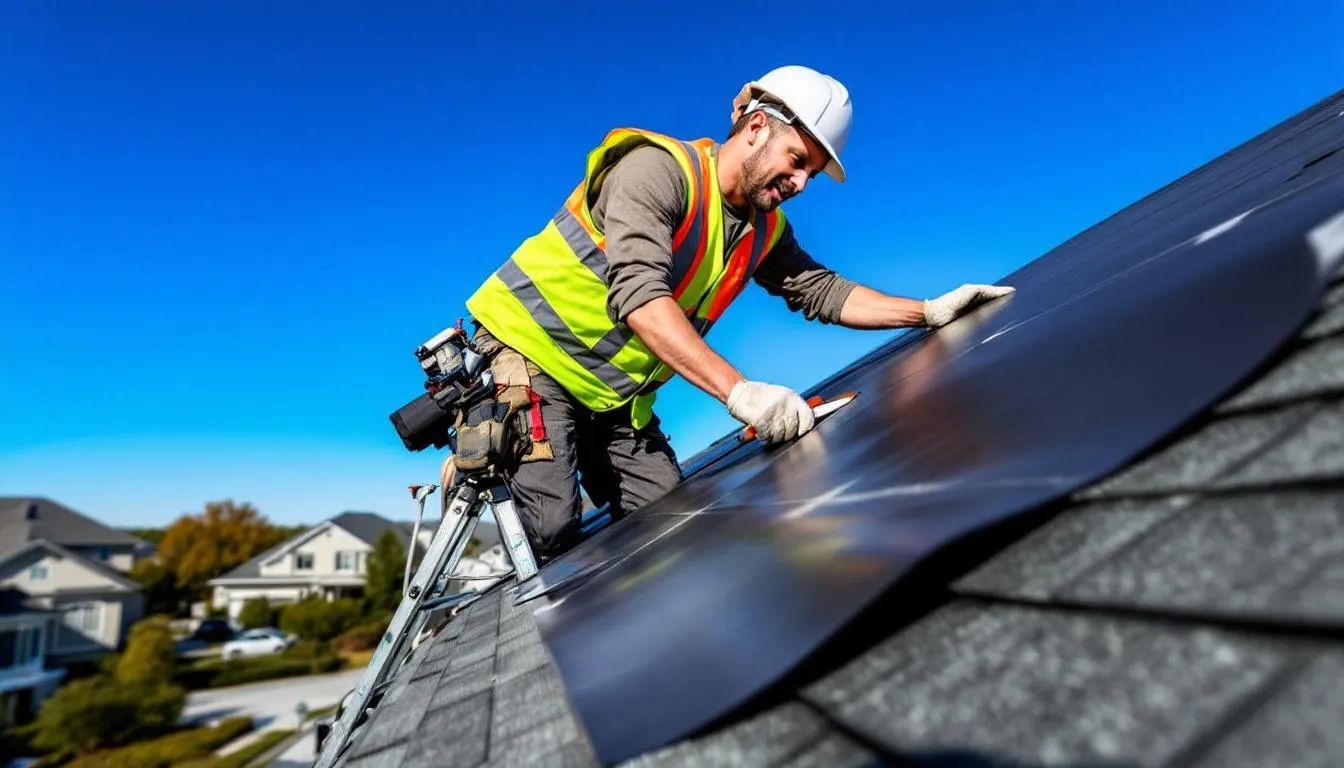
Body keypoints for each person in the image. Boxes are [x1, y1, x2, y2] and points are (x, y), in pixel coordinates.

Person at [460, 64, 1015, 564]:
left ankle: (566, 450)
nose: (800, 184)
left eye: (811, 174)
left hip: (609, 396)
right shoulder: (656, 171)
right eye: (796, 161)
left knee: (669, 518)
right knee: (554, 525)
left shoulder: (764, 229)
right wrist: (741, 392)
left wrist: (926, 312)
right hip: (527, 351)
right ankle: (491, 445)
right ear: (755, 128)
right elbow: (640, 298)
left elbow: (821, 290)